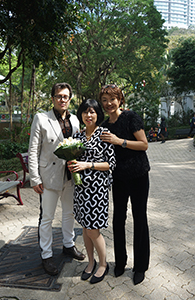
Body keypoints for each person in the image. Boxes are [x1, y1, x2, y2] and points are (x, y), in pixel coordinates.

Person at [28, 82, 85, 276]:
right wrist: (35, 179)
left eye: (66, 96)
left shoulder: (76, 120)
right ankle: (46, 255)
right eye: (59, 96)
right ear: (52, 98)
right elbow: (33, 150)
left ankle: (68, 245)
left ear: (70, 99)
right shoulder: (42, 119)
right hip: (48, 177)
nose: (62, 99)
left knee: (69, 213)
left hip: (70, 175)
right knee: (47, 218)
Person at [99, 84, 150, 285]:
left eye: (112, 99)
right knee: (118, 219)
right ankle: (120, 262)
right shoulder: (103, 126)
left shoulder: (130, 117)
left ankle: (140, 267)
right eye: (104, 100)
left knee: (140, 218)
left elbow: (144, 144)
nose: (108, 103)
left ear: (120, 99)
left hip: (138, 175)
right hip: (118, 178)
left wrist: (120, 141)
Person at [67, 99, 116, 284]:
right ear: (81, 115)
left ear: (98, 114)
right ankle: (91, 262)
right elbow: (73, 160)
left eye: (92, 112)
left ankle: (103, 264)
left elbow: (111, 164)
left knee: (93, 229)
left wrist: (88, 164)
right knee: (85, 229)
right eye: (85, 112)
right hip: (81, 190)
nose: (89, 115)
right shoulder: (77, 137)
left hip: (97, 190)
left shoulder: (104, 134)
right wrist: (72, 164)